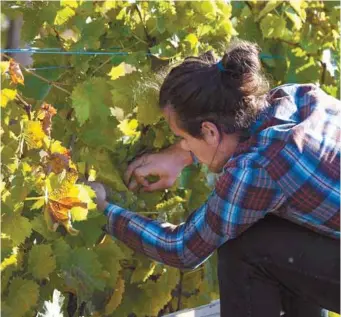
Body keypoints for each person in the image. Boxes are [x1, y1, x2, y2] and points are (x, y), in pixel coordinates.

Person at [89, 40, 340, 317]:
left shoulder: (257, 170)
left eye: (183, 138)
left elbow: (183, 249)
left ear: (209, 131)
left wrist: (102, 210)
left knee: (243, 248)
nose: (182, 145)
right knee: (262, 229)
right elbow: (239, 140)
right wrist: (181, 156)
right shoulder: (294, 98)